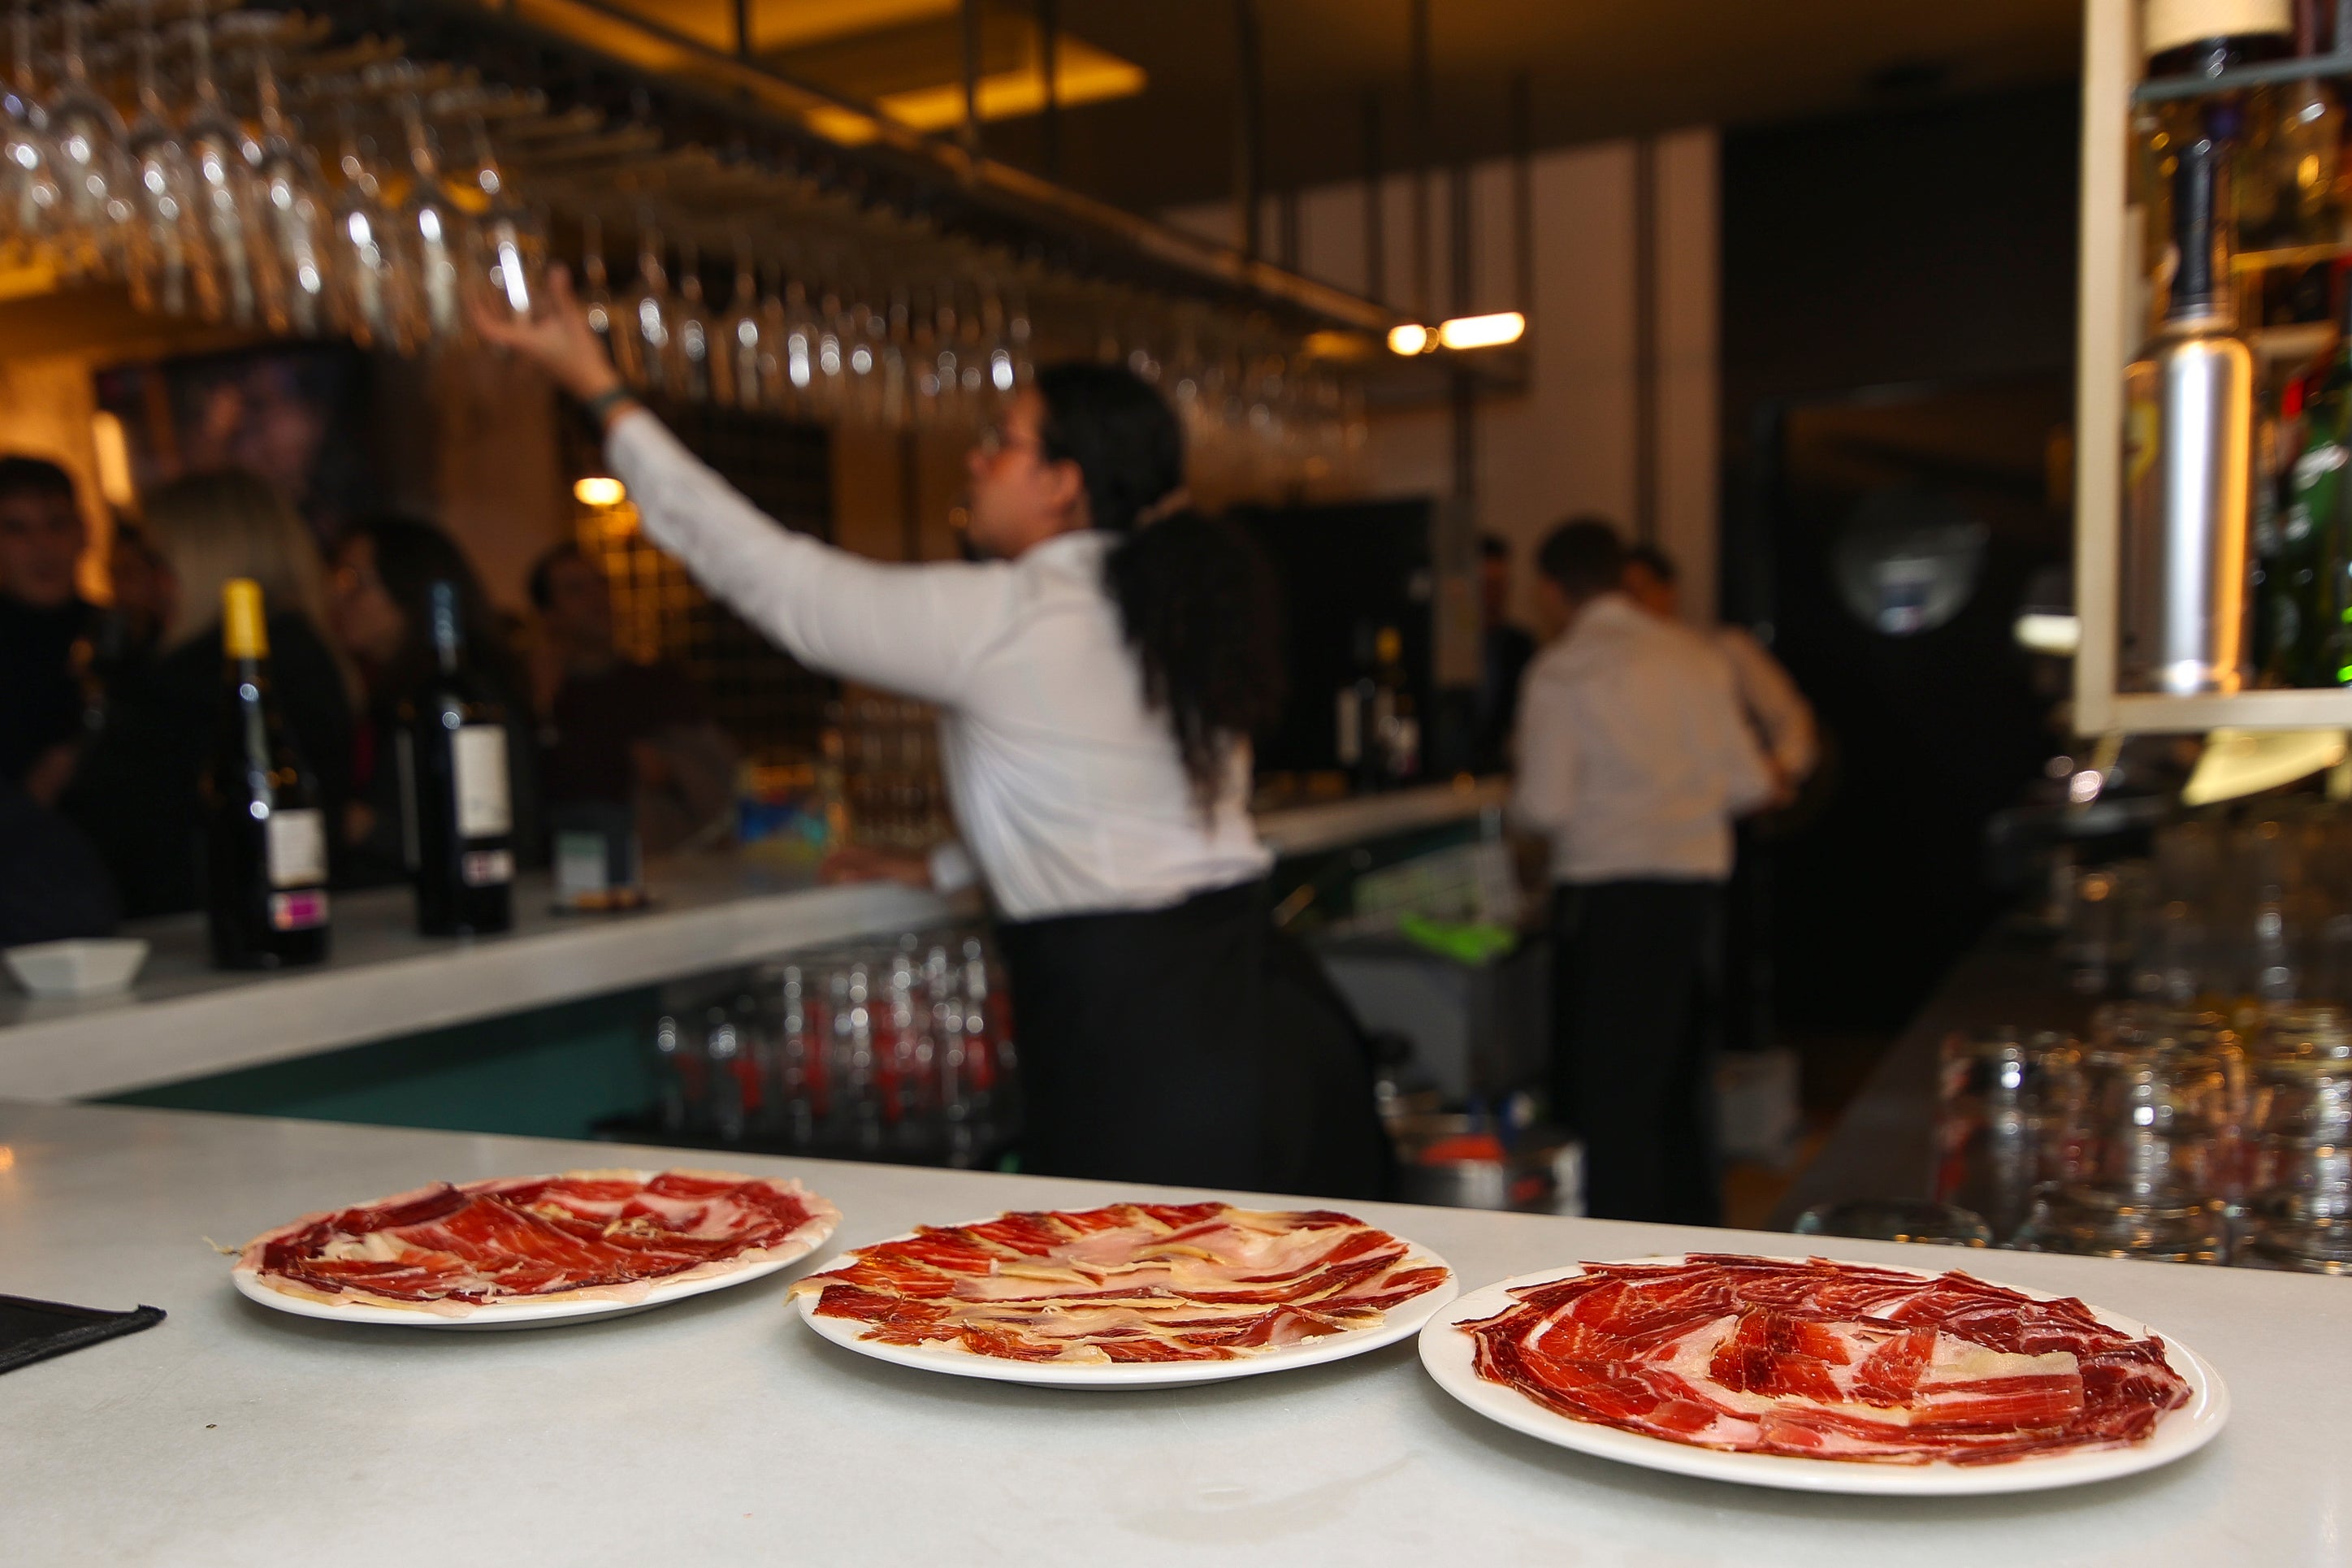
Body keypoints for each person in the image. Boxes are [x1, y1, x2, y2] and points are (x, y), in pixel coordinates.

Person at [475, 271, 1387, 1197]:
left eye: (1003, 443)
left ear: (1062, 483)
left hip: (1149, 1050)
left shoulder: (1013, 611)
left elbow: (773, 580)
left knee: (1140, 1326)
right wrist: (947, 866)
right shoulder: (1162, 605)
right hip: (1271, 1018)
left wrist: (601, 388)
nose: (975, 460)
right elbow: (1116, 799)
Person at [1511, 518, 1774, 1224]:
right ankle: (1694, 1250)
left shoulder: (1562, 669)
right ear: (1624, 574)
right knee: (1682, 1090)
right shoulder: (1696, 657)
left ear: (1549, 589)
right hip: (1692, 903)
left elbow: (1543, 804)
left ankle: (1616, 1271)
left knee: (1609, 1100)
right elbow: (1751, 783)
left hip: (1609, 901)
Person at [58, 470, 355, 918]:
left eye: (159, 563)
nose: (151, 585)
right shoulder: (287, 654)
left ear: (207, 562)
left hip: (214, 928)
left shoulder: (214, 676)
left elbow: (136, 829)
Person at [328, 516, 539, 885]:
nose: (338, 598)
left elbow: (499, 834)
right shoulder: (380, 689)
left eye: (355, 582)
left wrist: (366, 827)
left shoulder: (465, 697)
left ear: (408, 589)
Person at [528, 541, 736, 854]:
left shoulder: (661, 683)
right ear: (550, 614)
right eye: (575, 590)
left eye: (600, 583)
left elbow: (723, 775)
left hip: (664, 867)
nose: (597, 599)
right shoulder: (536, 694)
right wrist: (540, 702)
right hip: (564, 865)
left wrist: (671, 770)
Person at [1622, 541, 1817, 794]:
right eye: (1622, 597)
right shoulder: (1614, 672)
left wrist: (1777, 769)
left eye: (1639, 591)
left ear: (1668, 590)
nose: (1632, 605)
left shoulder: (1722, 648)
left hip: (1728, 799)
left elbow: (1790, 717)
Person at [0, 456, 96, 804]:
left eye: (57, 524)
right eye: (17, 529)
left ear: (84, 532)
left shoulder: (125, 634)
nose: (43, 547)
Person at [1474, 532, 1536, 774]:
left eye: (1500, 585)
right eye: (1486, 586)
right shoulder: (1442, 650)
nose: (1493, 596)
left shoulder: (1521, 645)